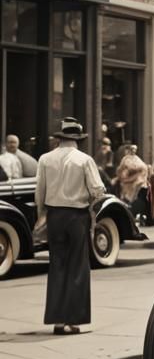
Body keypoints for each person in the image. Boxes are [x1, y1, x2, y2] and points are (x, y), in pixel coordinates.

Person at [35, 118, 105, 335]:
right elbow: (97, 190)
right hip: (77, 216)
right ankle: (72, 321)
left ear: (60, 137)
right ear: (79, 139)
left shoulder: (45, 159)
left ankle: (56, 320)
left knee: (57, 265)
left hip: (55, 215)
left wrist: (42, 215)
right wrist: (91, 209)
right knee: (77, 267)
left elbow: (40, 191)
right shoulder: (84, 160)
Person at [116, 144, 149, 223]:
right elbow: (127, 168)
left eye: (135, 149)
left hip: (137, 183)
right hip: (129, 184)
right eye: (132, 149)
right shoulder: (126, 159)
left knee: (136, 201)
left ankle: (135, 217)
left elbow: (143, 167)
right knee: (128, 201)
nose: (134, 151)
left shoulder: (136, 158)